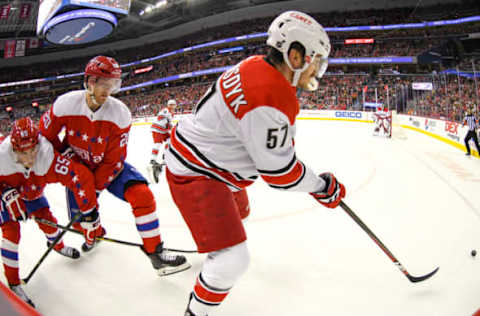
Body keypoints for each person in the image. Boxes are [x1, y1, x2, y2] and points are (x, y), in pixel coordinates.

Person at [164, 11, 345, 316]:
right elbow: (280, 175)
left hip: (206, 159)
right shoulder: (271, 95)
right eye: (316, 59)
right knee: (233, 260)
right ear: (295, 55)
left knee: (242, 212)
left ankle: (214, 241)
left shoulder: (254, 66)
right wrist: (321, 186)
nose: (318, 69)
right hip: (197, 172)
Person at [39, 56, 190, 276]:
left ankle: (155, 252)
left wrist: (93, 190)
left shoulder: (120, 113)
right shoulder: (65, 104)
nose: (108, 90)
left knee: (142, 195)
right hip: (75, 169)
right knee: (83, 224)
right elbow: (45, 138)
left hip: (106, 167)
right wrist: (65, 157)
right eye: (104, 83)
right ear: (89, 81)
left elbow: (114, 160)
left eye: (113, 85)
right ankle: (96, 232)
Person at [0, 117, 100, 307]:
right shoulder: (1, 156)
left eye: (32, 151)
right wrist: (5, 193)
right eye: (23, 153)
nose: (29, 158)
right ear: (13, 149)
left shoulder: (47, 156)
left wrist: (89, 212)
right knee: (11, 234)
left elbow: (79, 176)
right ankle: (13, 283)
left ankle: (58, 246)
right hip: (7, 196)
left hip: (33, 194)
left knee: (49, 222)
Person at [148, 99, 177, 183]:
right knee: (157, 144)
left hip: (163, 130)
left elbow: (168, 123)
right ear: (168, 105)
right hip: (158, 129)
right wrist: (168, 125)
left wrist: (169, 126)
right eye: (171, 105)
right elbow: (162, 118)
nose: (172, 106)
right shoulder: (165, 110)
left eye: (173, 105)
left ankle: (165, 156)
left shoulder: (171, 113)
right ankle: (152, 159)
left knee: (170, 140)